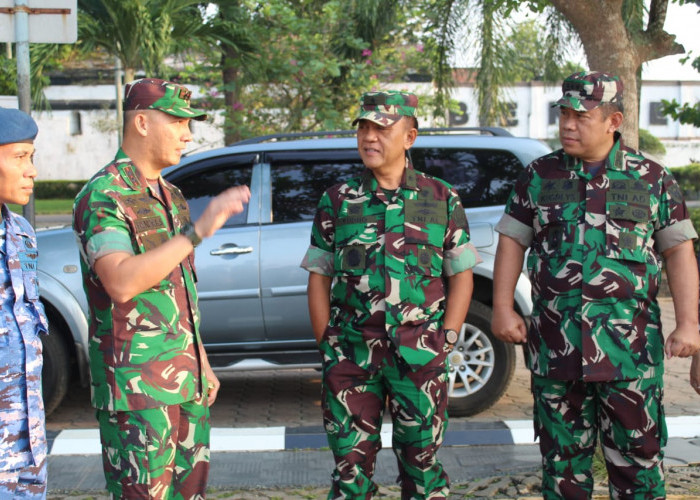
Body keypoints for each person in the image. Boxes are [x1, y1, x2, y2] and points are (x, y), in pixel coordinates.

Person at [492, 70, 700, 499]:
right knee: (562, 468)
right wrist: (502, 307)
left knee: (639, 465)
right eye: (564, 114)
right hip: (556, 348)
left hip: (629, 353)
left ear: (614, 121)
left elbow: (680, 253)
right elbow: (512, 241)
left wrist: (690, 324)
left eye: (581, 116)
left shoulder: (651, 178)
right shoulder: (539, 176)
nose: (568, 124)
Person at [73, 78, 250, 499]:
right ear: (142, 123)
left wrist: (202, 360)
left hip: (185, 382)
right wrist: (199, 230)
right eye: (176, 121)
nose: (188, 133)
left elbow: (180, 291)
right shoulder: (105, 195)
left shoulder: (171, 195)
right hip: (137, 393)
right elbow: (121, 281)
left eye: (190, 123)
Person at [301, 90, 480, 499]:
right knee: (350, 474)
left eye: (381, 128)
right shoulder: (338, 200)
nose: (369, 137)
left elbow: (461, 275)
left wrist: (448, 339)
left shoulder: (440, 197)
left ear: (410, 137)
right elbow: (318, 276)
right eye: (363, 127)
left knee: (422, 470)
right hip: (352, 356)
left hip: (421, 358)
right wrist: (328, 344)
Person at [0, 107, 49, 499]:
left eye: (31, 157)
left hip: (27, 452)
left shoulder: (22, 234)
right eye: (19, 157)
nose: (31, 170)